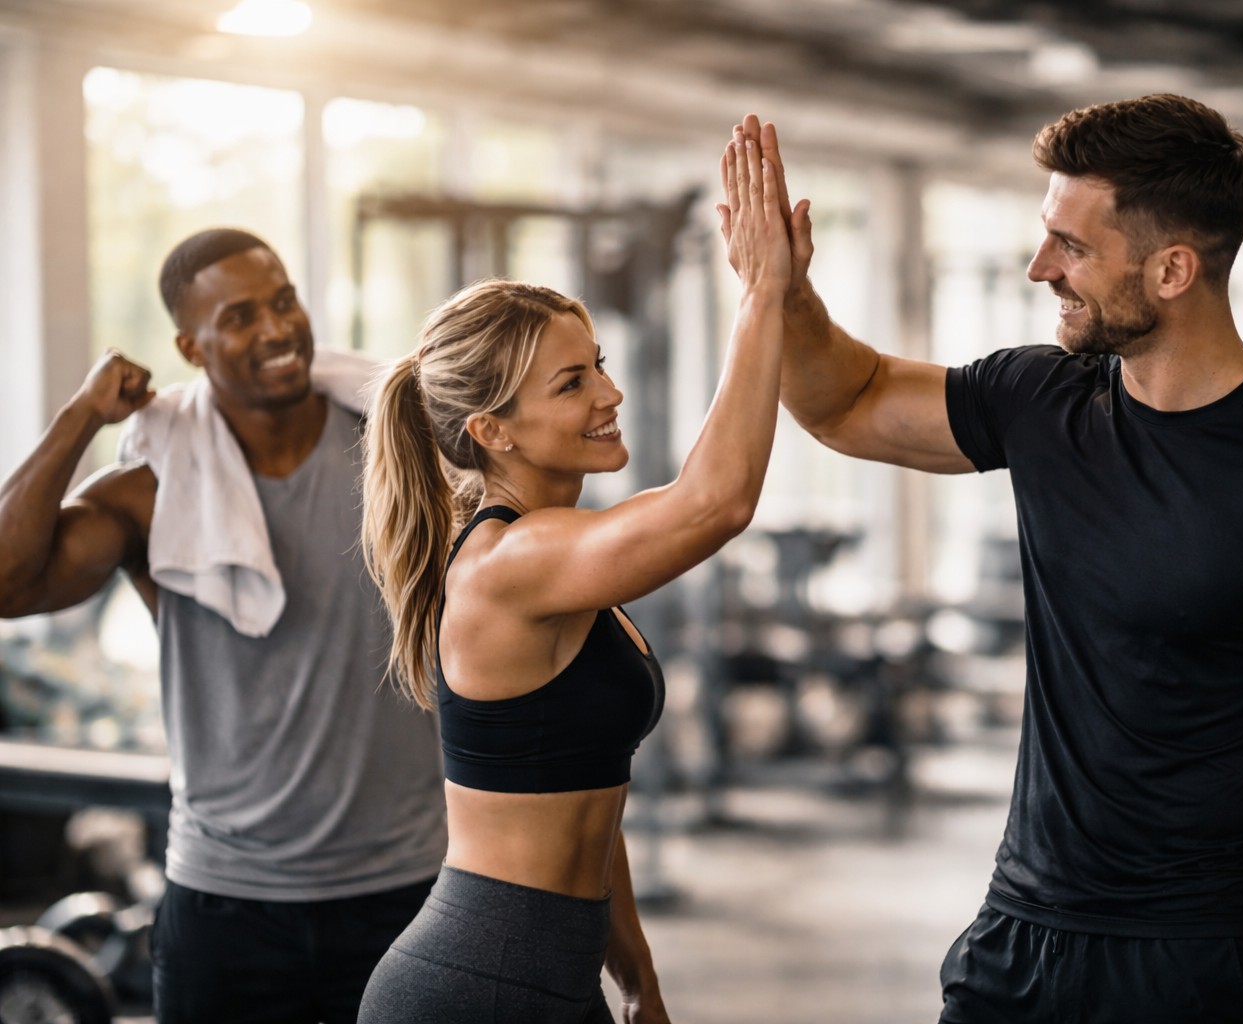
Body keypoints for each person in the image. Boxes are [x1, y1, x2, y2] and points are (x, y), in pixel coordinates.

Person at [719, 100, 1243, 1023]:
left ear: (1173, 270)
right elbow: (844, 403)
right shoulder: (1042, 400)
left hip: (1205, 961)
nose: (1040, 268)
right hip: (1020, 939)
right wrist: (783, 293)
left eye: (1070, 246)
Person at [355, 130, 789, 1024]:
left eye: (600, 366)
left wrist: (637, 974)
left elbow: (587, 798)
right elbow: (716, 502)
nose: (608, 395)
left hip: (550, 975)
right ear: (493, 430)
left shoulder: (556, 557)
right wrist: (761, 293)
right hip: (476, 986)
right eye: (571, 383)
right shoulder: (511, 563)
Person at [0, 228, 448, 1024]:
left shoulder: (391, 448)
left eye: (284, 302)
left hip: (408, 888)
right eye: (239, 317)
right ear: (190, 346)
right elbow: (8, 582)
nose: (276, 329)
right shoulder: (155, 489)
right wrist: (81, 415)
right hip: (227, 905)